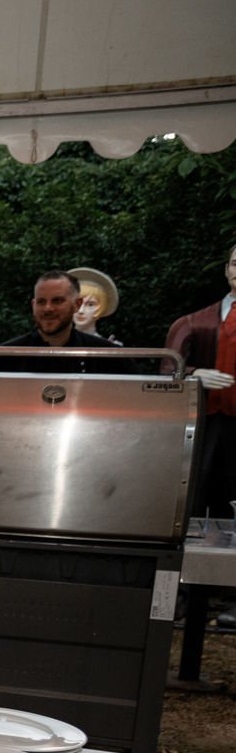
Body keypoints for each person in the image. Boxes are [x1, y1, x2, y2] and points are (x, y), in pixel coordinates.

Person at [167, 243, 236, 638]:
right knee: (194, 502)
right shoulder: (196, 321)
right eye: (233, 261)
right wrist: (195, 374)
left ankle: (230, 599)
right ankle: (183, 591)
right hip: (206, 424)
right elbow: (169, 368)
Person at [0, 269, 113, 373]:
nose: (48, 308)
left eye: (57, 301)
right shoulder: (7, 356)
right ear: (33, 305)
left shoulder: (107, 356)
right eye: (41, 302)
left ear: (77, 304)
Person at [70, 266, 125, 346]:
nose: (81, 310)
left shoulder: (107, 346)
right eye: (77, 303)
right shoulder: (55, 344)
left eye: (90, 305)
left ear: (102, 307)